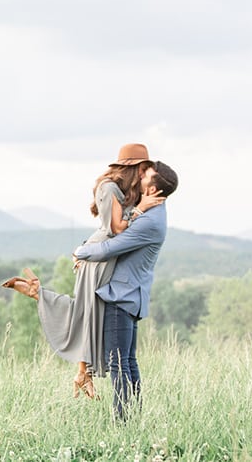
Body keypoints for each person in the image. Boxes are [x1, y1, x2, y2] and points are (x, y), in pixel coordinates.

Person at [1, 144, 164, 399]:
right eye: (144, 170)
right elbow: (116, 229)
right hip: (99, 256)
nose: (145, 176)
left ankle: (42, 300)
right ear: (134, 168)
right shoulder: (109, 188)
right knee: (87, 311)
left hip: (103, 255)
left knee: (89, 312)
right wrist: (141, 209)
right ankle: (41, 298)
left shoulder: (122, 191)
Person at [72, 160, 178, 419]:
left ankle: (123, 422)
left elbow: (111, 247)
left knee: (118, 364)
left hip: (121, 296)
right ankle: (133, 418)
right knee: (127, 362)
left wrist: (80, 251)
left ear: (152, 190)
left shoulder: (149, 222)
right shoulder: (152, 214)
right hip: (130, 296)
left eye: (146, 175)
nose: (141, 177)